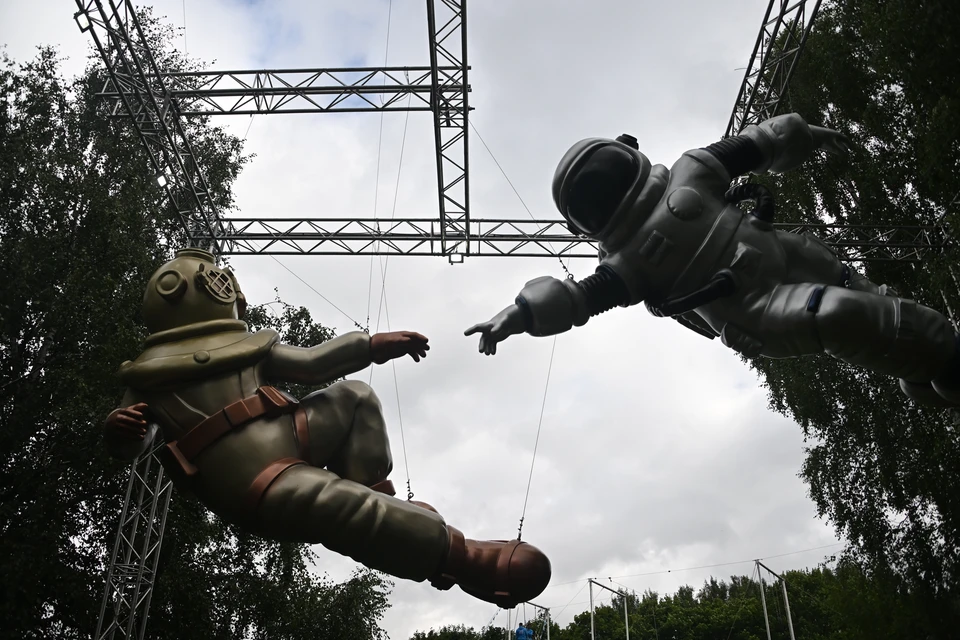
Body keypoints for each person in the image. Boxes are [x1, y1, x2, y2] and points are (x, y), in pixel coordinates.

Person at [103, 247, 551, 607]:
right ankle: (459, 558)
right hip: (257, 481)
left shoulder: (248, 346)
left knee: (355, 396)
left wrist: (372, 347)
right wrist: (121, 428)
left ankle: (380, 497)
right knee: (332, 501)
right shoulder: (149, 377)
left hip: (293, 432)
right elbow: (132, 446)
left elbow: (315, 364)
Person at [465, 113, 960, 408]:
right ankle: (932, 354)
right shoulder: (628, 266)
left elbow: (758, 143)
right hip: (758, 307)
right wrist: (520, 313)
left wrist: (804, 134)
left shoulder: (691, 174)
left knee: (860, 295)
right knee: (836, 313)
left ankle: (922, 359)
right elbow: (576, 300)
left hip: (778, 249)